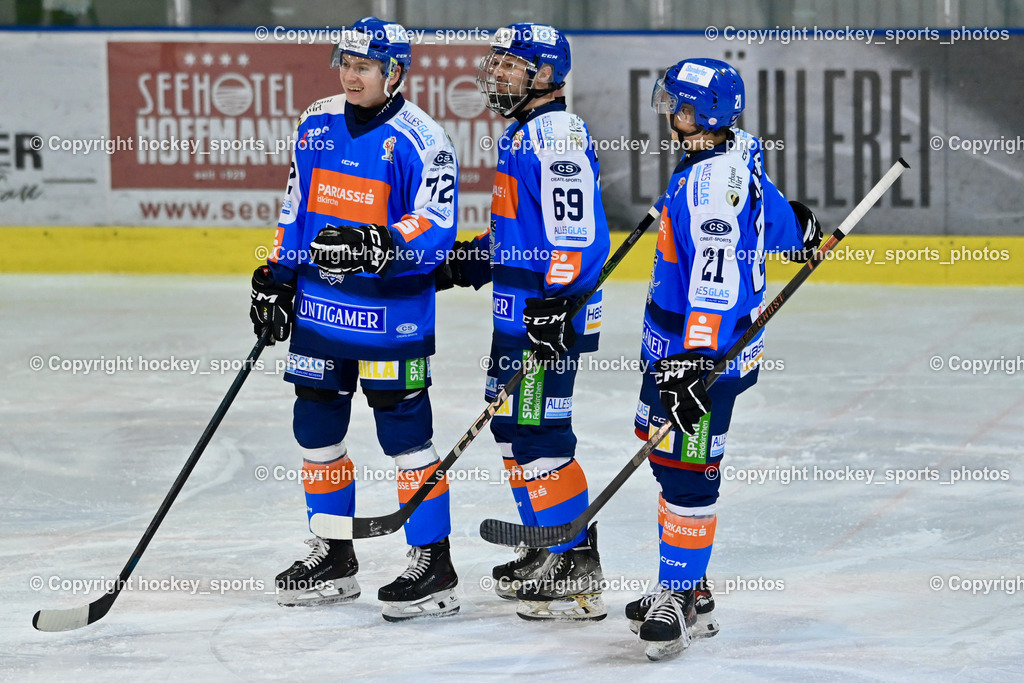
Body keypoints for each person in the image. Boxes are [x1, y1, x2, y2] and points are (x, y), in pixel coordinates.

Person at [249, 16, 460, 622]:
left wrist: (379, 243)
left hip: (389, 318)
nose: (350, 74)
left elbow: (436, 225)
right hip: (320, 311)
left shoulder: (424, 138)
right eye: (344, 62)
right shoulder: (316, 120)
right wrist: (277, 275)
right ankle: (334, 554)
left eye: (363, 66)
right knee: (314, 428)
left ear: (395, 71)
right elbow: (298, 205)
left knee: (404, 436)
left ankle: (433, 560)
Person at [625, 58, 822, 660]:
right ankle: (688, 581)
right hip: (674, 346)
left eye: (679, 107)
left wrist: (697, 361)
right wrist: (803, 227)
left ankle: (679, 597)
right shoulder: (729, 159)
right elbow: (779, 228)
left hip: (699, 352)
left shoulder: (714, 179)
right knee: (665, 453)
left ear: (705, 117)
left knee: (689, 472)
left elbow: (715, 282)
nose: (669, 114)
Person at [437, 23, 611, 621]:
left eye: (512, 65)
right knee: (514, 432)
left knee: (539, 436)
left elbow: (577, 234)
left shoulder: (556, 133)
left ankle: (575, 561)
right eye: (498, 63)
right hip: (517, 314)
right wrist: (468, 260)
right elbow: (519, 232)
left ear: (545, 75)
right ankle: (547, 549)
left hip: (545, 318)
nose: (498, 74)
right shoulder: (525, 132)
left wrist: (557, 304)